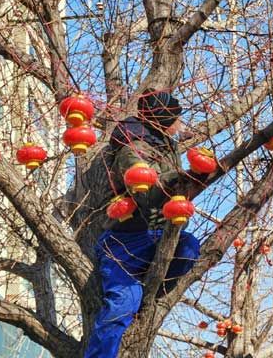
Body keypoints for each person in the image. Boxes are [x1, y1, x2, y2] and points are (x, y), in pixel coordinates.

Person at [85, 92, 200, 358]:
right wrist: (179, 179)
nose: (180, 123)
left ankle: (146, 294)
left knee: (189, 248)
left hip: (157, 234)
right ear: (163, 120)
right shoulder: (132, 149)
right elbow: (146, 192)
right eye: (176, 118)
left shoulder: (166, 147)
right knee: (121, 305)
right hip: (124, 241)